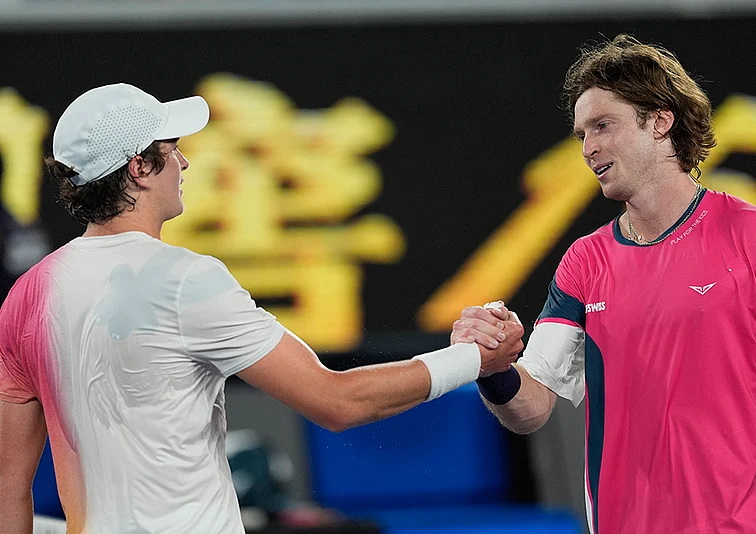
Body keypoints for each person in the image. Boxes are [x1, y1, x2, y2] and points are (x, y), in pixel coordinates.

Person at [0, 83, 525, 534]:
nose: (184, 161)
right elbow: (336, 402)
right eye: (171, 147)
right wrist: (474, 358)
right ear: (139, 167)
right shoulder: (184, 280)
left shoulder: (28, 294)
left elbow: (8, 487)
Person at [453, 34, 756, 533]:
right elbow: (530, 408)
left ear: (660, 121)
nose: (588, 148)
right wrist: (492, 364)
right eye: (580, 135)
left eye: (602, 126)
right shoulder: (584, 261)